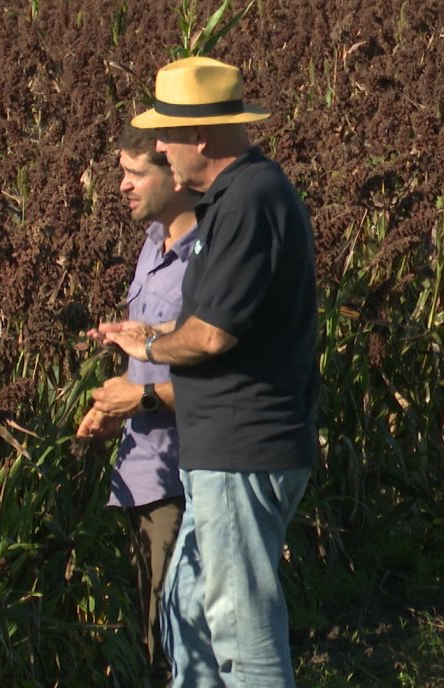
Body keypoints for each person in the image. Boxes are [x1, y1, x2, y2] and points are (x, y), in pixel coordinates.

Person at [96, 56, 319, 687]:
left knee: (241, 635)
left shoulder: (249, 200)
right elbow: (223, 320)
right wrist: (148, 332)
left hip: (241, 448)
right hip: (223, 450)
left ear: (200, 136)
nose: (161, 150)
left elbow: (214, 334)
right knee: (188, 610)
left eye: (166, 136)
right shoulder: (238, 197)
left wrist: (147, 351)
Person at [76, 122, 198, 681]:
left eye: (134, 173)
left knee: (180, 640)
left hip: (184, 477)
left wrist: (140, 401)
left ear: (174, 172)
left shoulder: (206, 259)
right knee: (153, 629)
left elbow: (223, 377)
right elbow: (149, 357)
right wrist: (111, 408)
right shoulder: (152, 244)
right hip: (140, 467)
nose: (121, 185)